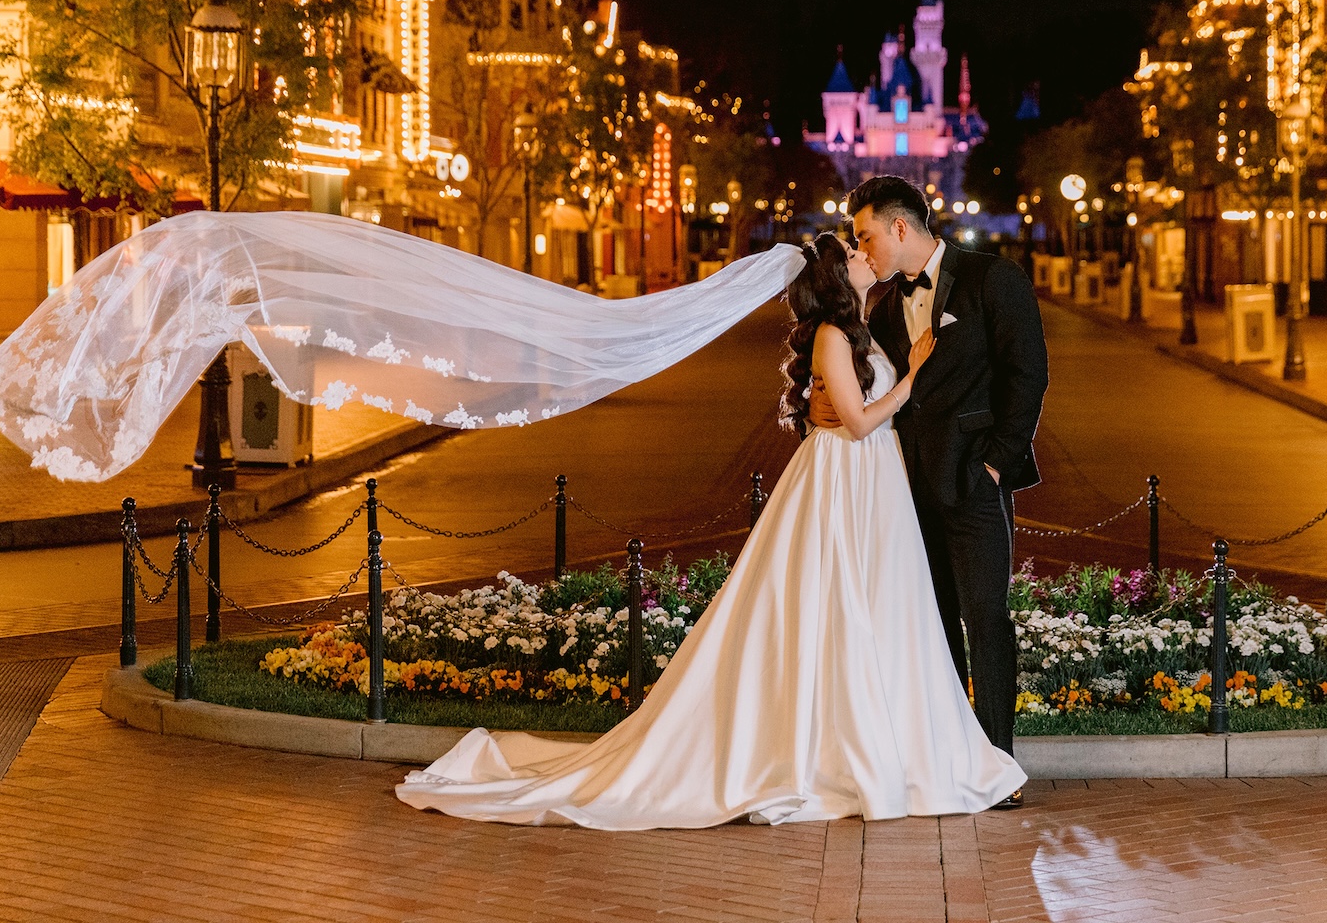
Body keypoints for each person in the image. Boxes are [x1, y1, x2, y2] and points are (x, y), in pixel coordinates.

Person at [393, 232, 1026, 828]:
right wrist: (914, 377)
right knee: (837, 606)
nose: (866, 254)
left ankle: (878, 736)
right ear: (837, 276)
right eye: (854, 250)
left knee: (874, 610)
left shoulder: (867, 323)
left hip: (874, 486)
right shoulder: (836, 332)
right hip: (845, 480)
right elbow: (858, 423)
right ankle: (832, 748)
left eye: (866, 242)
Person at [811, 175, 1049, 809]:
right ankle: (948, 758)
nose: (860, 249)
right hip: (908, 488)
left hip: (974, 479)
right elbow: (871, 390)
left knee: (985, 619)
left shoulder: (990, 279)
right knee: (934, 624)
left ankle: (998, 764)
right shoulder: (884, 309)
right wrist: (823, 403)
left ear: (899, 228)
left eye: (865, 235)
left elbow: (1028, 372)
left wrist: (997, 463)